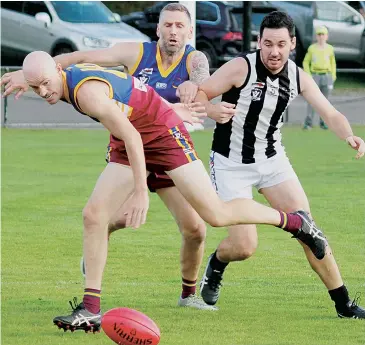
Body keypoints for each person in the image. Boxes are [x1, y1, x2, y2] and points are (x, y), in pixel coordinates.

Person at [18, 50, 325, 332]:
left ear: (59, 69)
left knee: (215, 215)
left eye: (45, 83)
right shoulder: (61, 77)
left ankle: (297, 222)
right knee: (93, 215)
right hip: (129, 137)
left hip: (160, 135)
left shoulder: (88, 94)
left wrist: (140, 190)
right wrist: (24, 78)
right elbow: (120, 103)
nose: (43, 92)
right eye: (35, 88)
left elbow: (134, 137)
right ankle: (91, 309)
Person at [1, 3, 214, 311]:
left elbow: (202, 73)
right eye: (167, 25)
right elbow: (79, 58)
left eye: (180, 26)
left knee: (196, 229)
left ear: (189, 31)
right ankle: (95, 259)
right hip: (130, 145)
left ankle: (188, 296)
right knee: (101, 217)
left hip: (168, 147)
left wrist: (197, 84)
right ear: (158, 29)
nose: (173, 31)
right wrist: (31, 72)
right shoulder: (136, 53)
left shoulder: (194, 59)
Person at [195, 11, 365, 319]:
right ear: (259, 42)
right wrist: (210, 108)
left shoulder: (297, 75)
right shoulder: (240, 68)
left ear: (292, 45)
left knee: (311, 231)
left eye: (281, 44)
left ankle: (344, 305)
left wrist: (350, 136)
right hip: (231, 164)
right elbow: (199, 93)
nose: (274, 51)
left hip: (273, 162)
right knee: (245, 246)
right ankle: (217, 263)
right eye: (268, 43)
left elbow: (330, 113)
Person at [302, 26, 336, 130]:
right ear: (316, 36)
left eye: (323, 34)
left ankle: (324, 122)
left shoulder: (330, 48)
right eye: (319, 34)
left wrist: (333, 75)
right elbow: (306, 61)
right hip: (315, 75)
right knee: (312, 100)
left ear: (326, 36)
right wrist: (308, 74)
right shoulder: (312, 48)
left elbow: (333, 63)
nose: (321, 37)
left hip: (326, 75)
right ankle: (308, 122)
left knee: (325, 101)